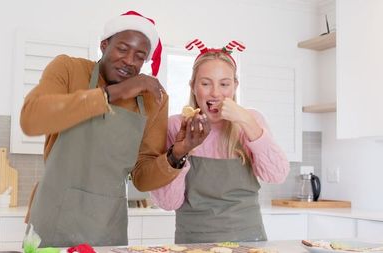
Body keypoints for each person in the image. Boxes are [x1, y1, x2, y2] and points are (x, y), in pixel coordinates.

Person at [20, 11, 183, 247]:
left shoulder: (152, 99)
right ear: (104, 45)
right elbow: (31, 119)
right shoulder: (68, 69)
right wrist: (114, 93)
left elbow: (142, 179)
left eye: (139, 56)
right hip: (52, 217)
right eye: (122, 48)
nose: (129, 60)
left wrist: (178, 153)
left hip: (107, 227)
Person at [150, 39, 290, 243]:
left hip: (249, 241)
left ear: (235, 86)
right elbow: (168, 202)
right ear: (193, 87)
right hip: (192, 243)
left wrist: (245, 120)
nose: (215, 93)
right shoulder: (174, 127)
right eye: (206, 83)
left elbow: (277, 175)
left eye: (224, 84)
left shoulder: (251, 121)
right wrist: (180, 151)